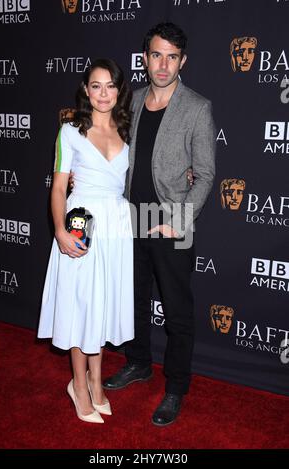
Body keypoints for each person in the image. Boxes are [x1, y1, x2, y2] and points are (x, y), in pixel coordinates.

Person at [101, 22, 216, 426]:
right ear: (145, 58)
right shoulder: (129, 101)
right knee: (132, 301)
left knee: (177, 313)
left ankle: (176, 388)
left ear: (182, 60)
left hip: (170, 224)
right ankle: (138, 363)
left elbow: (204, 173)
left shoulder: (197, 107)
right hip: (130, 220)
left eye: (171, 56)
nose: (162, 64)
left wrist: (179, 220)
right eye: (156, 55)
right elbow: (113, 156)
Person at [37, 58, 134, 424]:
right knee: (80, 305)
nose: (104, 93)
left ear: (119, 90)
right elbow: (59, 186)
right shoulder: (70, 130)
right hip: (81, 225)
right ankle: (78, 385)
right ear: (86, 89)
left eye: (110, 85)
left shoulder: (127, 129)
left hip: (116, 227)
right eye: (96, 85)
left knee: (101, 305)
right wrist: (60, 230)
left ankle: (97, 382)